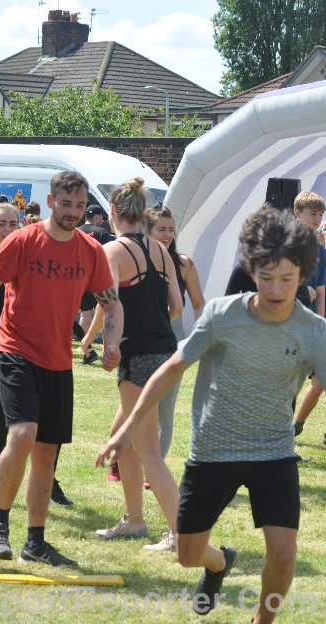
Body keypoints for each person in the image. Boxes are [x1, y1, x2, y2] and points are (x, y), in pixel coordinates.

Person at [96, 206, 326, 622]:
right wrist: (126, 428)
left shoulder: (313, 331)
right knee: (188, 555)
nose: (275, 288)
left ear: (303, 276)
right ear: (251, 270)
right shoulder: (223, 315)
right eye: (266, 277)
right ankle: (219, 563)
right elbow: (171, 369)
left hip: (273, 452)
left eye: (287, 278)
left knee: (283, 554)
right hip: (214, 450)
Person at [0, 171, 123, 567]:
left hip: (58, 360)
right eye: (66, 204)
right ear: (50, 202)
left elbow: (111, 302)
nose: (73, 212)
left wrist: (112, 342)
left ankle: (35, 541)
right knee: (22, 432)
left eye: (80, 205)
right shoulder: (22, 241)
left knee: (47, 452)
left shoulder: (90, 250)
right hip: (13, 350)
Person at [82, 177, 183, 550]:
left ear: (112, 212)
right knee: (122, 441)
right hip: (165, 350)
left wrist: (107, 343)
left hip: (138, 356)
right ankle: (134, 520)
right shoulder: (161, 250)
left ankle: (181, 534)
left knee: (147, 451)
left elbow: (109, 303)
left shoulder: (112, 250)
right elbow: (177, 307)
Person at [0, 203, 73, 510]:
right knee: (2, 418)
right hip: (2, 347)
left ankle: (48, 481)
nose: (7, 229)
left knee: (46, 423)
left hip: (41, 348)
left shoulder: (28, 256)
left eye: (13, 223)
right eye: (1, 224)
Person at [145, 204, 205, 463]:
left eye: (171, 229)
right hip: (140, 340)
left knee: (165, 408)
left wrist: (199, 337)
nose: (167, 234)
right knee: (136, 405)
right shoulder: (136, 260)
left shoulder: (183, 264)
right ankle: (123, 460)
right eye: (161, 229)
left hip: (173, 342)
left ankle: (154, 469)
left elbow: (199, 303)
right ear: (147, 231)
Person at [292, 191, 326, 437]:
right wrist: (301, 289)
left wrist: (320, 324)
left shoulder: (321, 251)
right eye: (312, 213)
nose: (317, 219)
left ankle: (294, 428)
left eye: (320, 215)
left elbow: (322, 292)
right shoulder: (285, 245)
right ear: (297, 213)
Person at [78, 204, 112, 364]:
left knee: (85, 313)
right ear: (97, 216)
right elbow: (108, 257)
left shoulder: (75, 231)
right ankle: (106, 348)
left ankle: (86, 348)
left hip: (78, 277)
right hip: (97, 278)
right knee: (105, 311)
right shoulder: (102, 232)